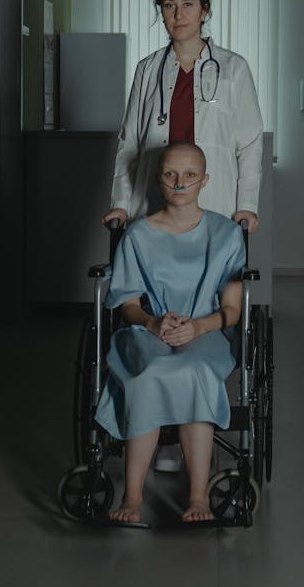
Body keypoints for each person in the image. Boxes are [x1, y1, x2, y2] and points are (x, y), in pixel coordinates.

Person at [94, 142, 246, 523]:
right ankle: (132, 497)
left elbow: (231, 310)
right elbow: (126, 301)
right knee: (149, 373)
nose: (180, 183)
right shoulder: (138, 235)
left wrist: (196, 326)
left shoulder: (226, 235)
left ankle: (198, 498)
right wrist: (152, 323)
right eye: (171, 174)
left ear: (204, 181)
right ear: (158, 180)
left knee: (195, 371)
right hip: (148, 330)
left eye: (190, 175)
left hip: (206, 330)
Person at [102, 0, 263, 232]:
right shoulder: (147, 69)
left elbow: (250, 144)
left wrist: (247, 205)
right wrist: (121, 203)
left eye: (188, 4)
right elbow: (129, 144)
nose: (178, 14)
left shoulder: (234, 68)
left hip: (214, 202)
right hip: (154, 202)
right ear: (161, 12)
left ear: (205, 10)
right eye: (169, 5)